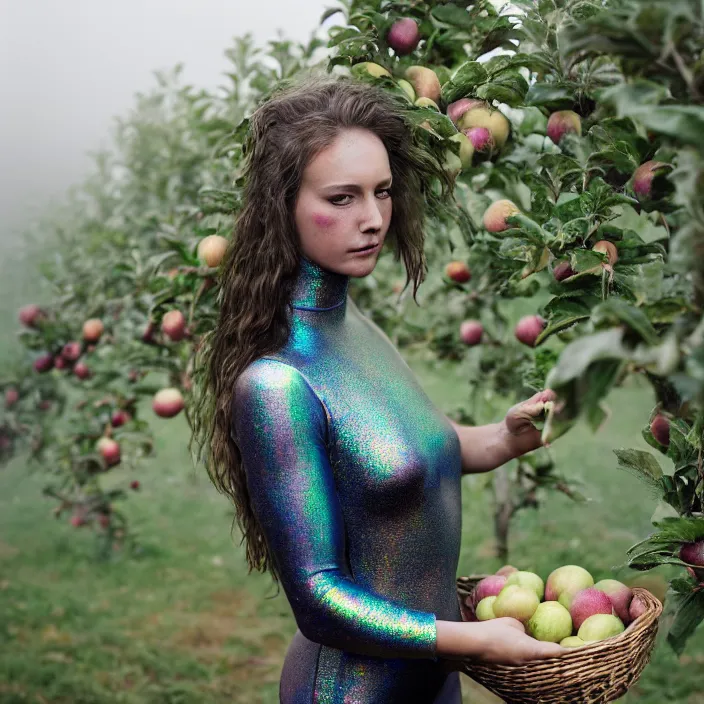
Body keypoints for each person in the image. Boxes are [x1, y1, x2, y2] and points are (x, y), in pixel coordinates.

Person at [190, 72, 566, 704]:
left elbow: (415, 453)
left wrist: (505, 437)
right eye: (341, 198)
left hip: (433, 681)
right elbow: (320, 601)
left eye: (382, 192)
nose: (372, 219)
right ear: (284, 205)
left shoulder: (356, 325)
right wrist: (475, 641)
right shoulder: (278, 384)